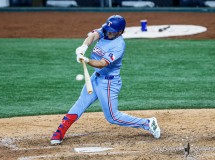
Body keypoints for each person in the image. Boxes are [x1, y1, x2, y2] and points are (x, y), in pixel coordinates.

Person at [50, 15, 161, 145]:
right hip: (95, 78)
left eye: (112, 31)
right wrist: (84, 47)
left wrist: (87, 60)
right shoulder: (106, 30)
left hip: (108, 83)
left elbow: (102, 63)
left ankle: (147, 123)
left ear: (120, 32)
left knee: (113, 117)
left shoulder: (119, 45)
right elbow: (92, 36)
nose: (108, 33)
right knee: (80, 104)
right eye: (108, 29)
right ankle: (60, 131)